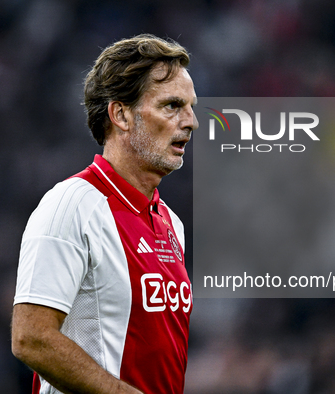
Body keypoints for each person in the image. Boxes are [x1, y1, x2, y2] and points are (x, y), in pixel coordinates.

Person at [11, 34, 198, 394]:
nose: (191, 121)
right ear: (121, 114)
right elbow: (30, 338)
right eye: (172, 106)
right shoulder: (71, 204)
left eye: (190, 106)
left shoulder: (170, 222)